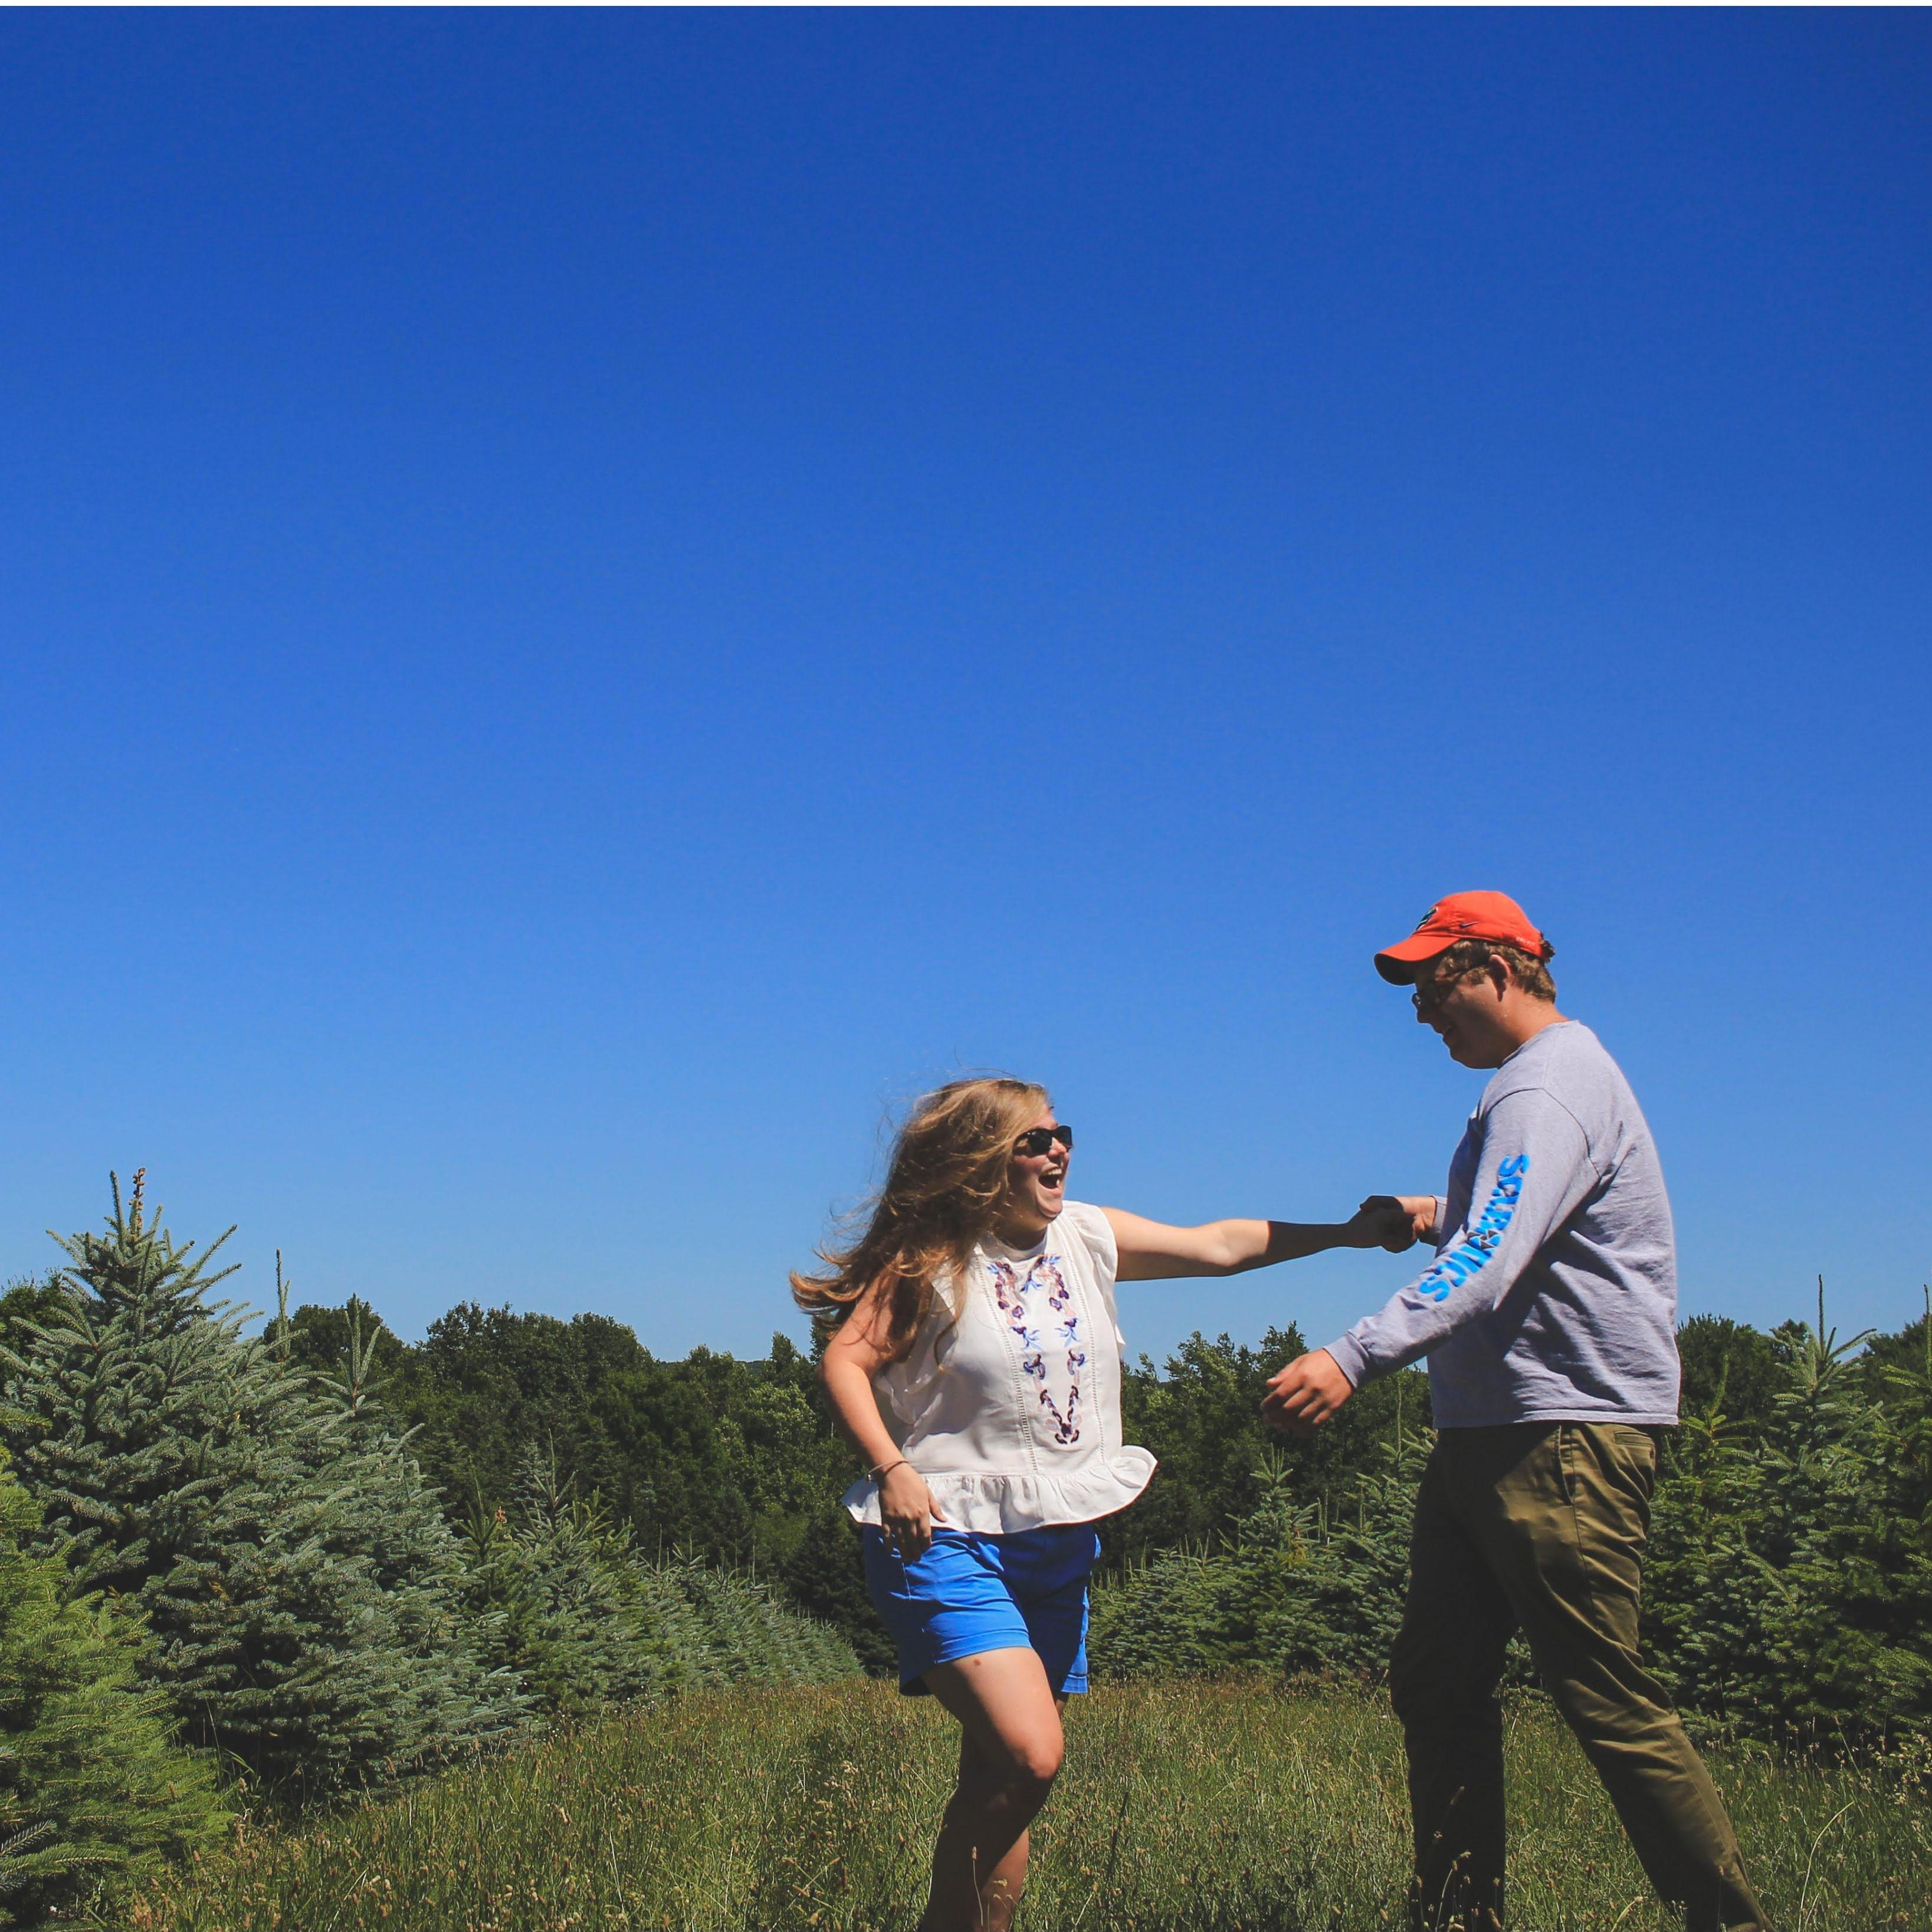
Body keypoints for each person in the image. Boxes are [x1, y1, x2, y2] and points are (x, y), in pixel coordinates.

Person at [1262, 892, 1767, 1932]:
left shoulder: (1547, 1087)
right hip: (1489, 1432)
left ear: (1495, 968)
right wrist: (1431, 1212)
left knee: (1601, 1692)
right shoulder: (1532, 1093)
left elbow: (1491, 1263)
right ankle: (1455, 1914)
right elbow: (1521, 1215)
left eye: (1432, 984)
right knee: (1438, 1680)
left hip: (1562, 1433)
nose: (1420, 1011)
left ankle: (1729, 1923)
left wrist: (1353, 1356)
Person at [795, 1075, 1406, 1932]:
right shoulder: (930, 1259)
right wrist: (892, 1465)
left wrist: (1349, 1233)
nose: (1059, 1152)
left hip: (1058, 1543)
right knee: (1032, 1755)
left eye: (1062, 1136)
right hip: (946, 1537)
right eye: (1035, 1141)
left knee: (998, 1777)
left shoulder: (1084, 1236)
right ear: (983, 1161)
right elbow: (845, 1361)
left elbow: (1222, 1245)